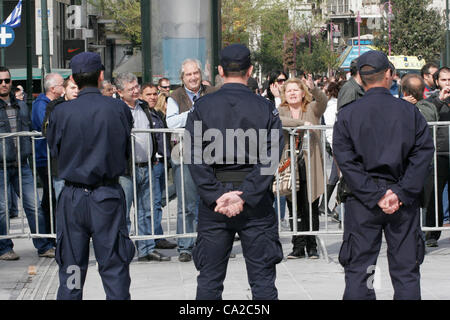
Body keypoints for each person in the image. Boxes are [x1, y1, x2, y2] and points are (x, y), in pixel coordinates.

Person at [333, 50, 434, 300]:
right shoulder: (409, 112)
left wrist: (375, 195)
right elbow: (422, 155)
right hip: (401, 198)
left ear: (360, 77)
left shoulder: (348, 115)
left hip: (363, 201)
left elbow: (346, 160)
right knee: (405, 271)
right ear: (389, 74)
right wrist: (399, 193)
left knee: (362, 270)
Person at [186, 43, 284, 300]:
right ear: (250, 70)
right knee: (262, 281)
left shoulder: (201, 107)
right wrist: (246, 194)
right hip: (255, 200)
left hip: (215, 202)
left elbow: (194, 156)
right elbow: (271, 157)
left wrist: (216, 194)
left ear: (219, 70)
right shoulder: (265, 108)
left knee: (209, 280)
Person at [47, 52, 135, 299]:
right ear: (100, 76)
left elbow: (54, 148)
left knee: (72, 266)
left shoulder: (62, 112)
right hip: (106, 196)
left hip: (73, 198)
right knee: (114, 266)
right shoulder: (117, 108)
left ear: (74, 78)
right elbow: (123, 145)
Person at [0, 66, 55, 261]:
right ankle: (4, 248)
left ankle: (44, 246)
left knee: (34, 207)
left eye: (7, 80)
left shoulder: (21, 105)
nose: (4, 84)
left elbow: (31, 129)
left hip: (22, 163)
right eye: (1, 81)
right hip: (1, 166)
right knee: (3, 209)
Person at [116, 74, 170, 262]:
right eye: (131, 88)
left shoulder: (144, 107)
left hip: (147, 165)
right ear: (120, 92)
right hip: (126, 169)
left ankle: (147, 248)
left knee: (146, 210)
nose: (135, 90)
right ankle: (122, 249)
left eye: (136, 86)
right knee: (123, 213)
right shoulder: (117, 109)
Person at [166, 58, 216, 262]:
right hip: (184, 154)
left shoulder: (212, 93)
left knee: (213, 200)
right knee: (186, 203)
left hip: (211, 154)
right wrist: (195, 112)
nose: (193, 77)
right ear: (182, 77)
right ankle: (185, 246)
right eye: (189, 74)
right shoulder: (174, 97)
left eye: (196, 73)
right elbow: (171, 122)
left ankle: (214, 243)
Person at [278, 76, 328, 259]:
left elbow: (323, 102)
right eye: (288, 90)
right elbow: (279, 121)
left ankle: (312, 245)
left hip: (310, 162)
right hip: (291, 164)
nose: (292, 93)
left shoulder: (312, 107)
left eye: (295, 90)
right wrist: (301, 124)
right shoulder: (281, 109)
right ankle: (297, 246)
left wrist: (314, 89)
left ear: (302, 93)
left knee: (311, 205)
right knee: (294, 207)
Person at [139, 83, 177, 250]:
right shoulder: (143, 113)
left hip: (162, 161)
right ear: (142, 95)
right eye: (148, 94)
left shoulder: (156, 113)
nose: (153, 97)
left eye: (155, 94)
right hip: (152, 162)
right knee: (154, 202)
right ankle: (154, 238)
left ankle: (157, 235)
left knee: (157, 201)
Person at [32, 73, 65, 237]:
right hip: (45, 158)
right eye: (62, 84)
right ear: (53, 88)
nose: (64, 86)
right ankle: (50, 234)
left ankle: (52, 233)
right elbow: (47, 129)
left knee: (51, 198)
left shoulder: (52, 103)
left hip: (52, 157)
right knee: (50, 199)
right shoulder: (42, 105)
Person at [423, 66, 450, 247]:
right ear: (437, 82)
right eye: (444, 80)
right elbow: (428, 116)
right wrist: (441, 100)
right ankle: (432, 234)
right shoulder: (432, 100)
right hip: (440, 153)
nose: (448, 84)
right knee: (435, 194)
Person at [42, 77, 79, 201]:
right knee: (62, 202)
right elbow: (46, 130)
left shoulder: (84, 105)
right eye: (73, 88)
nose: (76, 91)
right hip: (60, 165)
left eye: (78, 88)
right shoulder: (54, 106)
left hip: (81, 164)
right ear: (64, 89)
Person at [320, 80, 346, 219]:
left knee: (336, 176)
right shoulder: (333, 106)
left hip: (336, 144)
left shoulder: (335, 105)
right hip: (336, 144)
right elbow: (331, 128)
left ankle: (331, 206)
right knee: (339, 176)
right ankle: (334, 207)